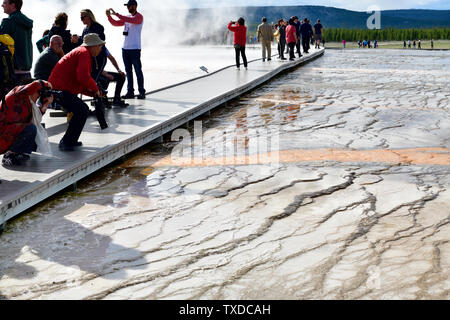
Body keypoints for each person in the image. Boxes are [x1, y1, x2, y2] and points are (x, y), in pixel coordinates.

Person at [48, 33, 105, 151]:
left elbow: (79, 82)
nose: (101, 48)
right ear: (93, 46)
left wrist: (93, 93)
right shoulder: (84, 53)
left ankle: (70, 141)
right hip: (59, 89)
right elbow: (83, 77)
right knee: (82, 110)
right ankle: (66, 142)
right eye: (99, 46)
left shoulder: (82, 52)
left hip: (59, 89)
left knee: (81, 110)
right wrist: (95, 89)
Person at [0, 80, 53, 166]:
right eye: (40, 94)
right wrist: (45, 85)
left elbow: (35, 119)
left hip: (9, 129)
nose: (39, 97)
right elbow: (34, 85)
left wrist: (45, 105)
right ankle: (9, 155)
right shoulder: (18, 94)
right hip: (2, 132)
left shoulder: (27, 100)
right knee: (30, 128)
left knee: (36, 127)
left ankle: (19, 153)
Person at [107, 0, 146, 100]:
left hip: (135, 49)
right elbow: (115, 23)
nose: (128, 8)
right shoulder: (127, 18)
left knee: (138, 71)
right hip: (125, 49)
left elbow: (133, 21)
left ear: (135, 6)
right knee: (128, 72)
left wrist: (117, 14)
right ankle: (130, 92)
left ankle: (141, 92)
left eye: (130, 6)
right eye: (127, 6)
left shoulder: (139, 17)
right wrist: (109, 16)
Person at [0, 0, 33, 85]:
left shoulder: (8, 22)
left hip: (12, 73)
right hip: (26, 72)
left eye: (4, 3)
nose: (2, 5)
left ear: (12, 5)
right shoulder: (27, 23)